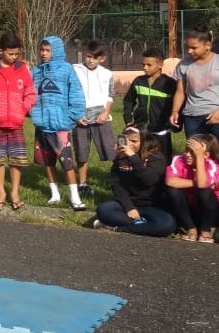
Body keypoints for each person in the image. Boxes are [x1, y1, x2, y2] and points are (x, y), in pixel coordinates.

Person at [0, 32, 36, 212]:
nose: (14, 57)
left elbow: (30, 93)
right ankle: (1, 192)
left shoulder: (22, 69)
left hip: (16, 124)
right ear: (0, 51)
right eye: (11, 54)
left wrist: (23, 109)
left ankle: (15, 193)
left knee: (17, 160)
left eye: (17, 54)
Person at [29, 36, 87, 210]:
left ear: (57, 51)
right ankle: (55, 194)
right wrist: (32, 112)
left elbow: (76, 93)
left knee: (67, 162)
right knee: (48, 162)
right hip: (41, 124)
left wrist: (73, 115)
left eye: (48, 50)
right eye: (42, 50)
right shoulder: (36, 71)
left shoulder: (67, 70)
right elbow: (30, 93)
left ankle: (75, 197)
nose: (44, 53)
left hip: (60, 125)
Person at [93, 126, 175, 236]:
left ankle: (120, 229)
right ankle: (145, 225)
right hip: (128, 204)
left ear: (144, 142)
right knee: (103, 210)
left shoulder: (156, 157)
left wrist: (133, 157)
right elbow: (117, 186)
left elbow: (148, 180)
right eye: (127, 141)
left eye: (134, 141)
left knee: (167, 225)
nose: (130, 144)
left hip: (152, 205)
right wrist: (129, 207)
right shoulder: (121, 158)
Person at [72, 40, 115, 200]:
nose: (90, 60)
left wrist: (105, 113)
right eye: (88, 56)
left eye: (94, 58)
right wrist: (76, 115)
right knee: (81, 152)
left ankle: (117, 180)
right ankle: (82, 184)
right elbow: (70, 93)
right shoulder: (75, 70)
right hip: (81, 118)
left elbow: (111, 95)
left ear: (101, 59)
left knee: (111, 150)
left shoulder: (107, 73)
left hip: (101, 117)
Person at [123, 47, 177, 163]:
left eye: (149, 65)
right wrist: (128, 118)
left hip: (161, 130)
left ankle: (163, 180)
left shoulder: (170, 83)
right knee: (141, 158)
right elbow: (128, 100)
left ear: (160, 64)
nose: (145, 68)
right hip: (141, 130)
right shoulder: (138, 81)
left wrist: (176, 124)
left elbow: (178, 104)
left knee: (163, 160)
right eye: (143, 64)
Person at [163, 133, 219, 242]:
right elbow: (170, 181)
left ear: (206, 155)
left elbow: (202, 185)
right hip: (191, 209)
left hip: (212, 212)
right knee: (171, 190)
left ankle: (206, 230)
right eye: (186, 150)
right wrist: (194, 183)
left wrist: (199, 159)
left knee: (205, 191)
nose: (187, 155)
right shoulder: (179, 160)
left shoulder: (212, 165)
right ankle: (190, 228)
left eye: (192, 152)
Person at [169, 25, 219, 141]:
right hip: (192, 117)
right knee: (195, 152)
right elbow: (180, 92)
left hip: (215, 115)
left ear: (208, 45)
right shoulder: (183, 64)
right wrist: (175, 111)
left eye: (194, 48)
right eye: (187, 47)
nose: (189, 51)